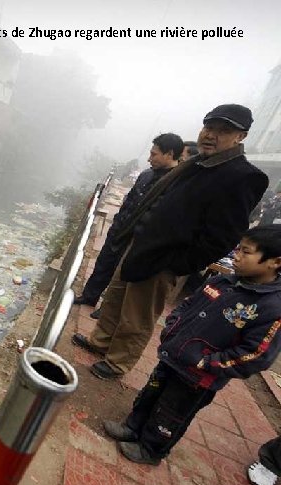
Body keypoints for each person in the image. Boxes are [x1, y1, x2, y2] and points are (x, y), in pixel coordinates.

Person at [72, 104, 269, 379]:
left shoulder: (242, 176)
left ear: (241, 136)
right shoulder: (196, 163)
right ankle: (100, 341)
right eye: (209, 127)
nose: (211, 135)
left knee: (137, 315)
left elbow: (224, 236)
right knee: (116, 299)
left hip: (164, 259)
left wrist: (177, 265)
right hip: (140, 245)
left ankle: (118, 362)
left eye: (223, 131)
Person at [103, 225, 281, 465]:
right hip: (173, 357)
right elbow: (188, 305)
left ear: (274, 262)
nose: (236, 255)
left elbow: (255, 354)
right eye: (237, 249)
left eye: (246, 252)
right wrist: (172, 326)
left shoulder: (271, 307)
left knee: (171, 413)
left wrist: (206, 362)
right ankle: (133, 427)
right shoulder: (222, 281)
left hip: (199, 377)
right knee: (151, 394)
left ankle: (151, 449)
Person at [74, 133, 184, 314]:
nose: (149, 159)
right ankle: (89, 296)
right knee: (104, 263)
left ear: (169, 154)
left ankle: (107, 309)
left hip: (138, 238)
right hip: (121, 228)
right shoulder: (147, 174)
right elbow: (129, 201)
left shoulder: (174, 183)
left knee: (121, 273)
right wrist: (117, 224)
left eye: (154, 154)